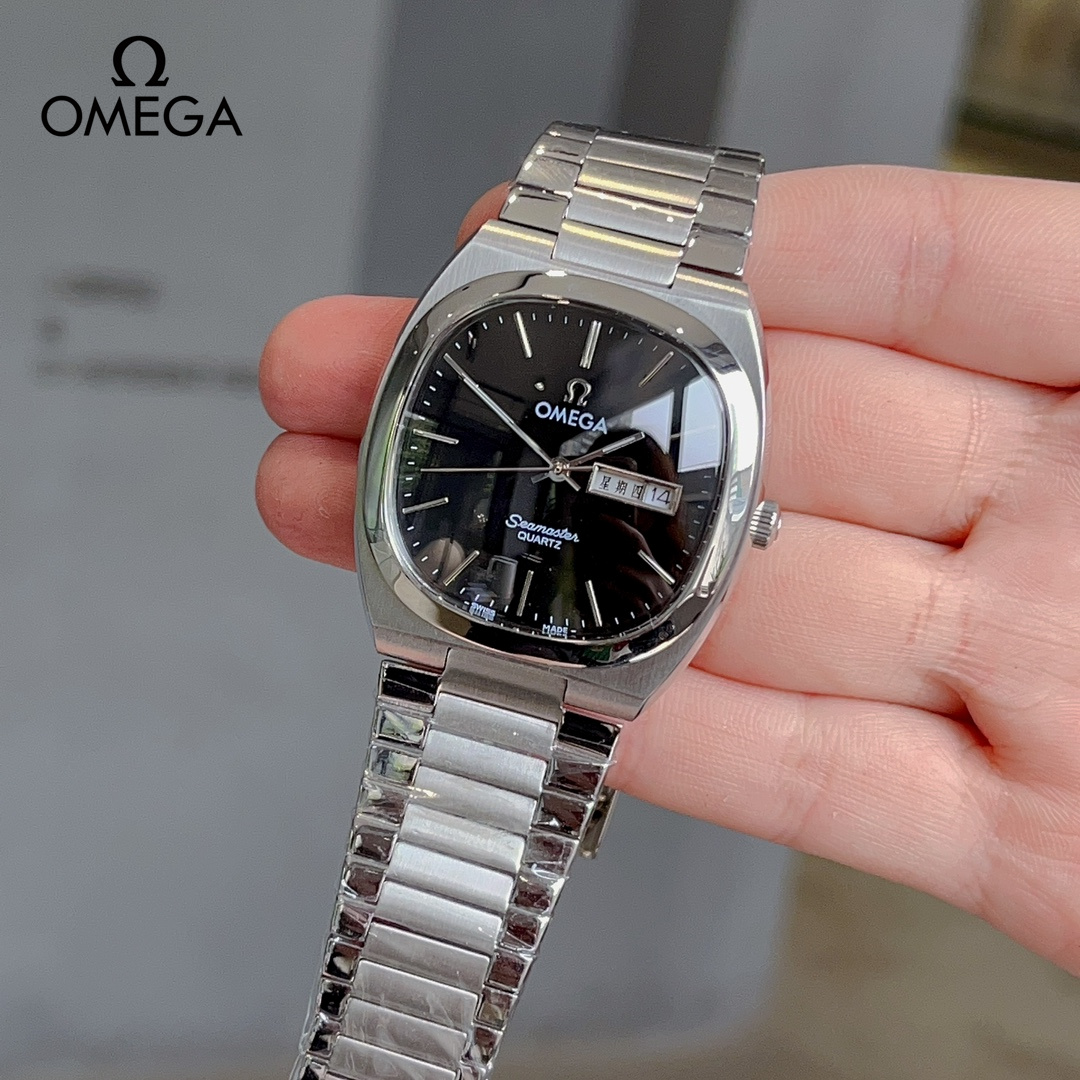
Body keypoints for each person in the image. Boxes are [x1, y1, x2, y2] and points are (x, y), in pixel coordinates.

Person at [255, 165, 1080, 976]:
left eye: (605, 469)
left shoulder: (651, 554)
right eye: (559, 463)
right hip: (440, 621)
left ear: (746, 520)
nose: (565, 472)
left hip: (589, 665)